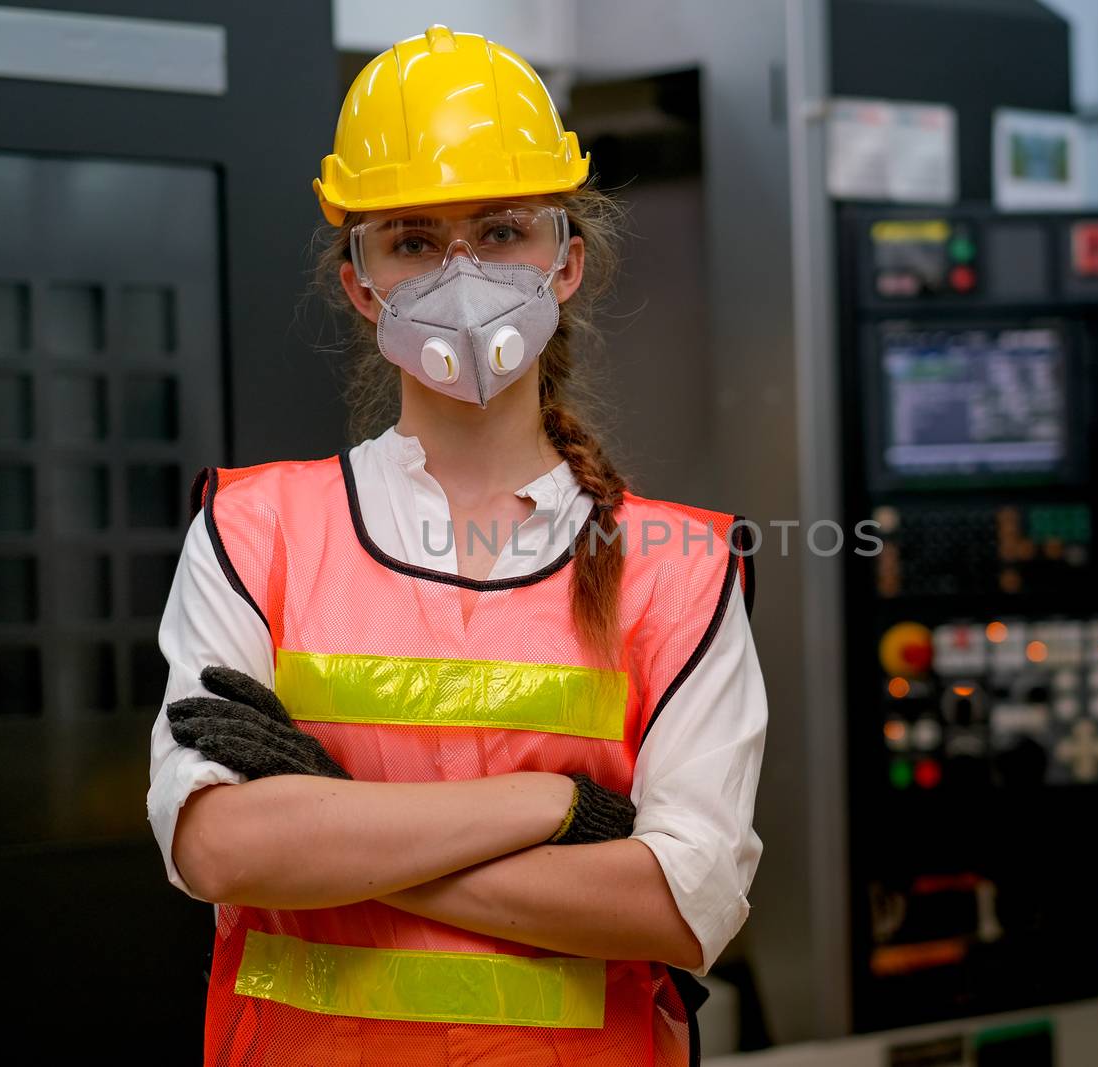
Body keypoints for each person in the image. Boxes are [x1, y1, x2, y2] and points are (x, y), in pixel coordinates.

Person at [145, 24, 767, 1065]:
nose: (461, 273)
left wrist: (330, 830)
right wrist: (556, 805)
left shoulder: (679, 569)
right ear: (360, 281)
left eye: (500, 231)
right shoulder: (254, 534)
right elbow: (213, 846)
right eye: (414, 241)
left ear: (565, 262)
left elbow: (677, 901)